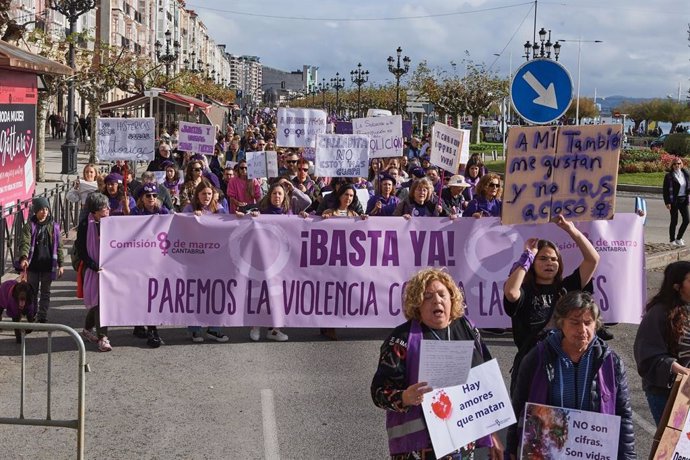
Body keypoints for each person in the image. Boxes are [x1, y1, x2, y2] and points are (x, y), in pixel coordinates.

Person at [371, 268, 503, 459]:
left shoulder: (467, 329)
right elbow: (378, 392)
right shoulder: (400, 340)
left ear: (452, 299)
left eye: (443, 294)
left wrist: (492, 433)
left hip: (462, 445)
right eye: (428, 297)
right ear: (417, 304)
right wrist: (405, 397)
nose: (437, 300)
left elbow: (485, 383)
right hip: (418, 448)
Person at [506, 291, 635, 459]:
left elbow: (623, 415)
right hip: (548, 452)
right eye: (575, 323)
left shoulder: (611, 362)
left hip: (593, 452)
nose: (582, 330)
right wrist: (510, 450)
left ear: (596, 324)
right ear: (561, 324)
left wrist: (628, 457)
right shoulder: (536, 358)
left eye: (588, 323)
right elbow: (518, 408)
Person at [503, 215, 601, 393]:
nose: (549, 263)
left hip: (564, 365)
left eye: (554, 259)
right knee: (531, 418)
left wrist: (571, 230)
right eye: (543, 259)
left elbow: (592, 260)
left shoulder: (566, 288)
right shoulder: (525, 290)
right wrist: (527, 256)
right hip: (532, 366)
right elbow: (511, 292)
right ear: (533, 263)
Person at [634, 261, 690, 425]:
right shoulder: (658, 313)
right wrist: (680, 370)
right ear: (677, 286)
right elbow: (647, 353)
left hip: (687, 389)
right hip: (665, 393)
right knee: (672, 445)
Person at [240, 183, 292, 342]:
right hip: (261, 258)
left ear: (284, 198)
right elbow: (241, 212)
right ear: (269, 195)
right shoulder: (260, 211)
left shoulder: (289, 214)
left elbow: (306, 203)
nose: (277, 197)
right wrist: (251, 215)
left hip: (281, 261)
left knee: (277, 294)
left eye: (280, 194)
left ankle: (273, 329)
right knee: (260, 292)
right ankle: (255, 325)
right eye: (275, 193)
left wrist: (302, 215)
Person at [181, 180, 230, 343]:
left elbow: (228, 227)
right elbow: (180, 228)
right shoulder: (189, 209)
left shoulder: (219, 209)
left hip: (215, 259)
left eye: (209, 194)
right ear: (197, 195)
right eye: (203, 194)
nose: (206, 197)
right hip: (195, 259)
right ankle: (194, 329)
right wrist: (191, 219)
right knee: (196, 294)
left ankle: (215, 329)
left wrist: (241, 217)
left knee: (216, 294)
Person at [18, 197, 65, 323]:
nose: (44, 212)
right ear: (35, 211)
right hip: (33, 266)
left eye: (46, 209)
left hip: (48, 266)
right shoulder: (30, 226)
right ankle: (31, 314)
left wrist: (61, 264)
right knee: (32, 292)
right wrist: (24, 257)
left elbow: (59, 247)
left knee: (45, 293)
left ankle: (42, 315)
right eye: (41, 210)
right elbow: (25, 243)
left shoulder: (54, 227)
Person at [77, 193, 113, 352]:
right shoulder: (86, 225)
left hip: (108, 268)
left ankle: (86, 330)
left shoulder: (111, 222)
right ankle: (103, 337)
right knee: (100, 303)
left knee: (99, 303)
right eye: (105, 207)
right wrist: (93, 265)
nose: (108, 209)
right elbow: (82, 250)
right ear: (96, 211)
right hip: (93, 269)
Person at [662, 157, 690, 247]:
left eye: (678, 163)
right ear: (672, 165)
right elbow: (665, 190)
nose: (677, 165)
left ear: (681, 164)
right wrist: (667, 202)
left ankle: (679, 238)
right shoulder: (669, 176)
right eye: (675, 164)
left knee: (687, 219)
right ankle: (672, 240)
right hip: (674, 200)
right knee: (674, 221)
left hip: (683, 199)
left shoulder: (685, 173)